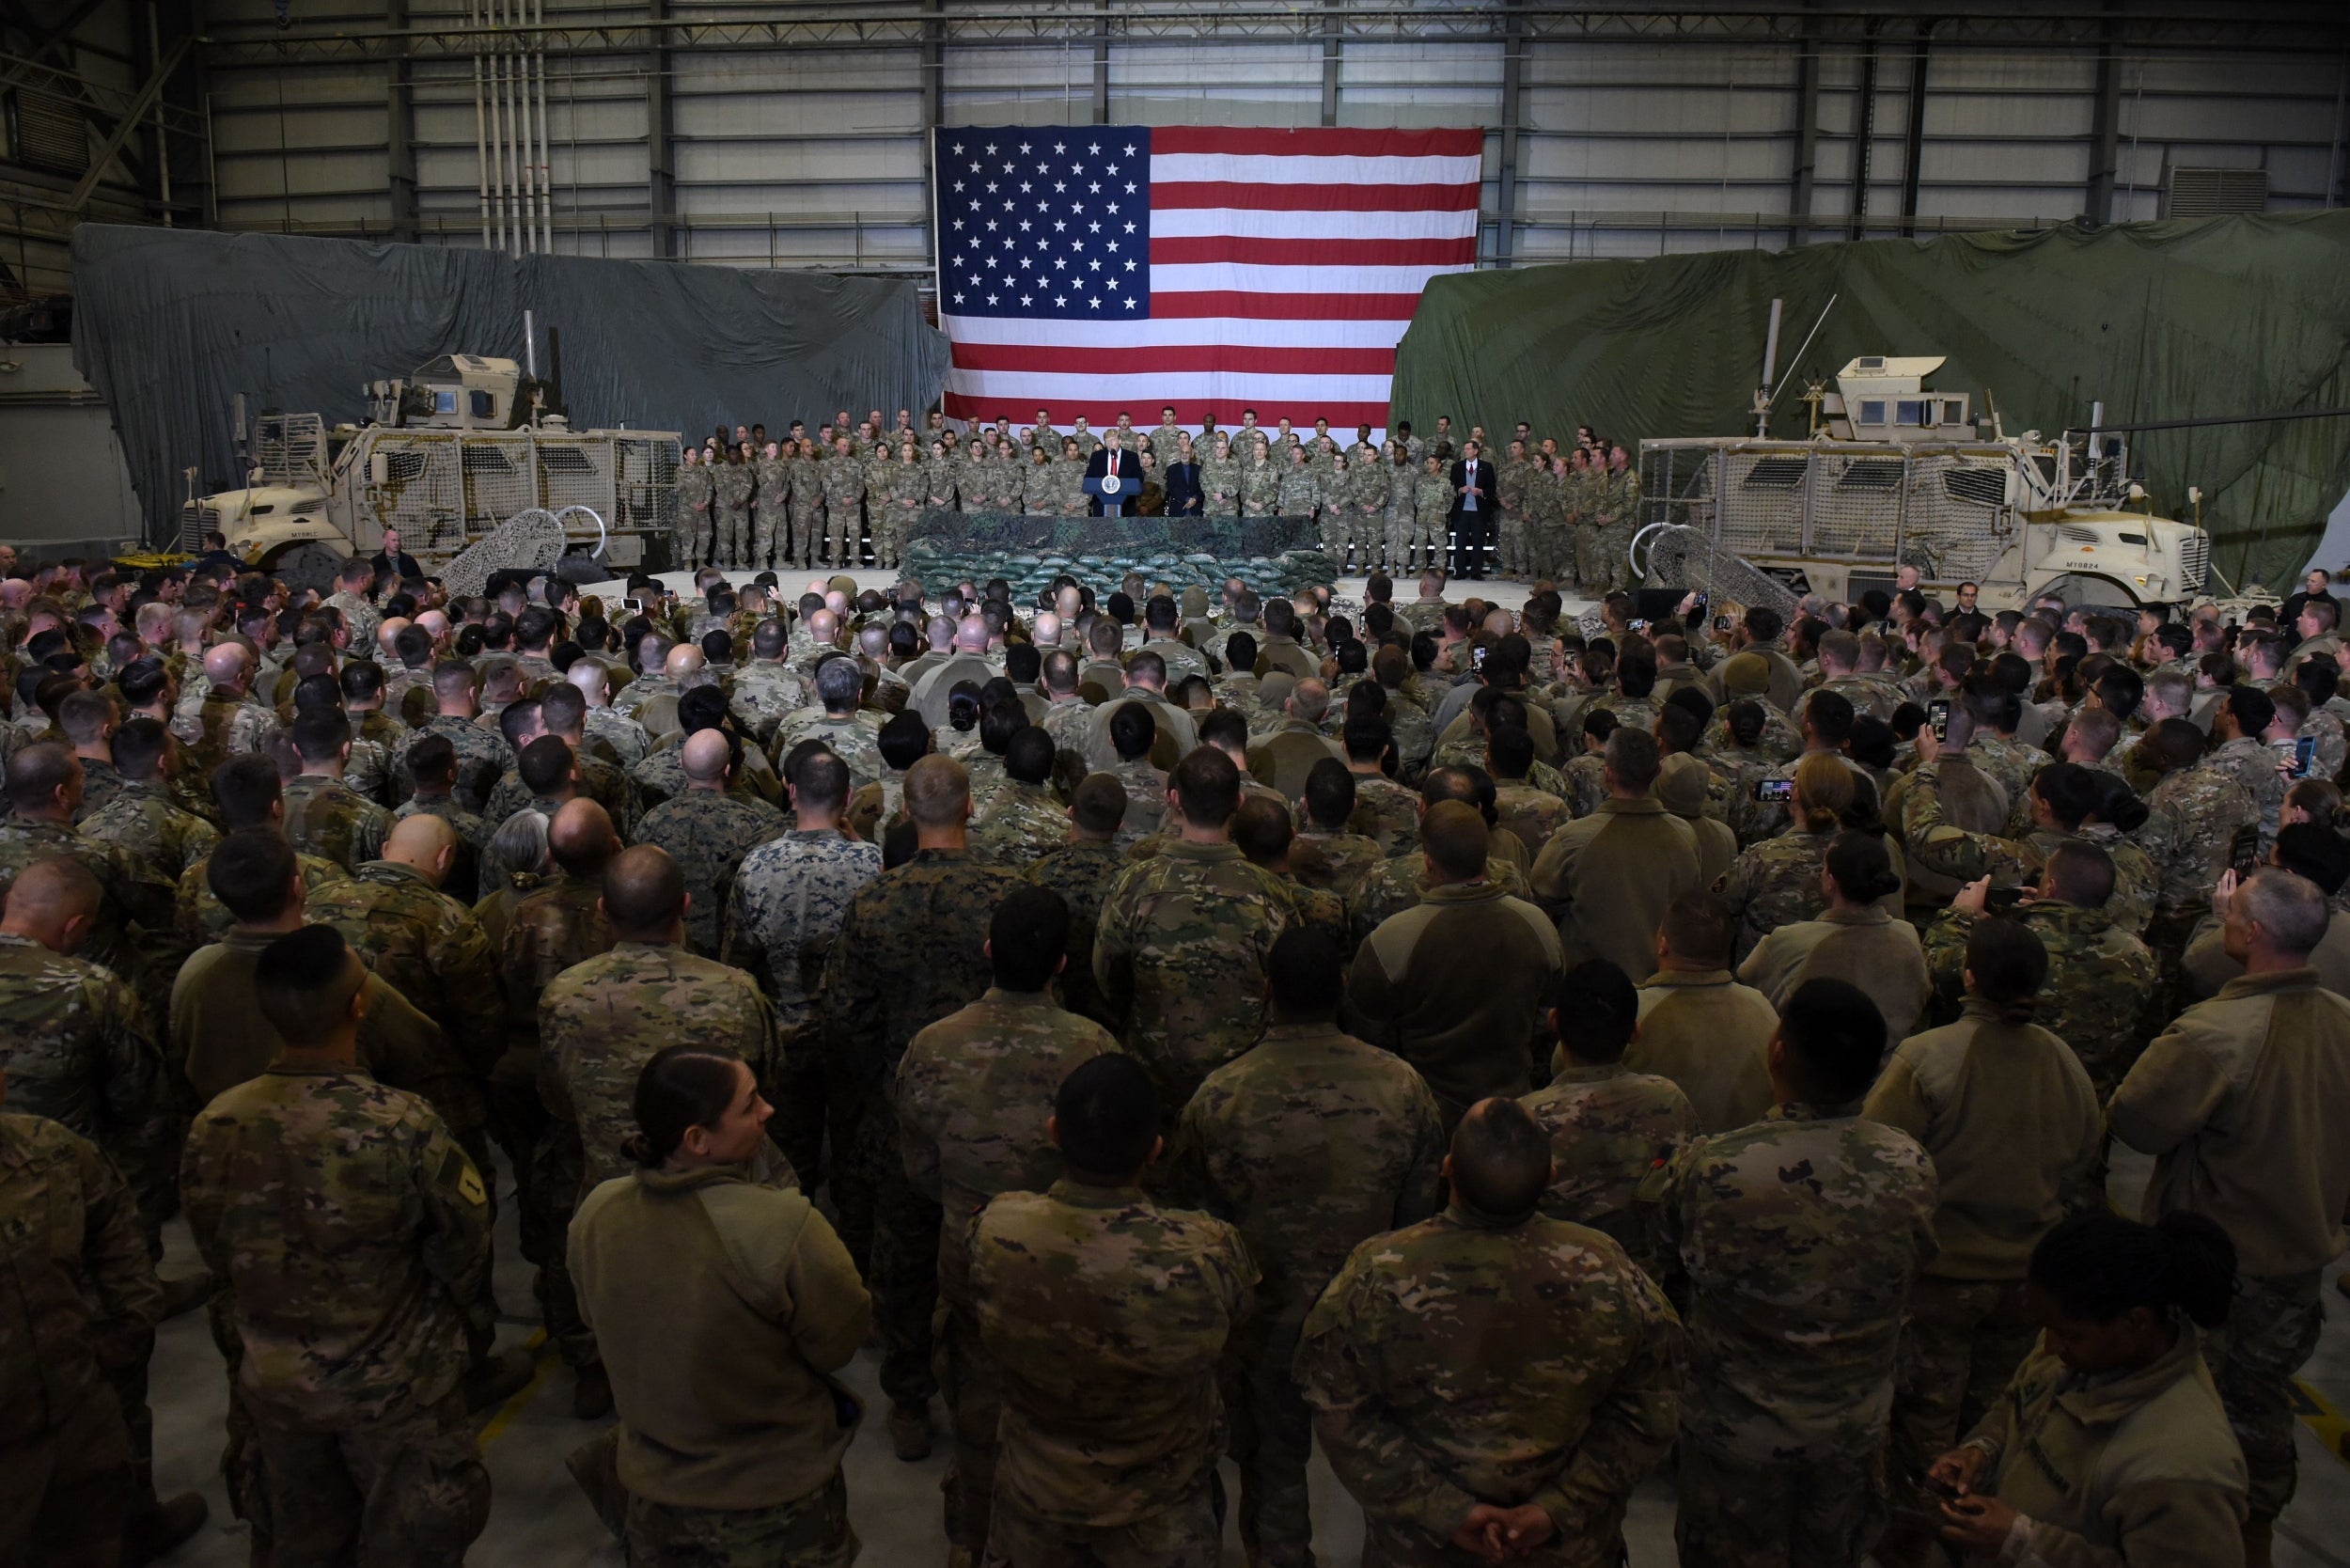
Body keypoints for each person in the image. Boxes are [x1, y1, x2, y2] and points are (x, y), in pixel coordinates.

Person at [181, 924, 494, 1566]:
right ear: (360, 1006)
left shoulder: (217, 1124)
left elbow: (214, 1244)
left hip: (274, 1381)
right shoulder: (399, 1124)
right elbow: (464, 1244)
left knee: (300, 1540)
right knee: (410, 1543)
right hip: (394, 1389)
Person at [1295, 1095, 1682, 1565]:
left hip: (1422, 1550)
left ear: (1448, 1169)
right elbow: (1653, 1409)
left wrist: (1445, 1511)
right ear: (1551, 1177)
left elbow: (1339, 1412)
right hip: (1564, 1549)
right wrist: (1557, 1508)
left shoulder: (1378, 1273)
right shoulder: (1608, 1270)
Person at [1168, 927, 1445, 1568]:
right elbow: (1419, 1219)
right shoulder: (1401, 1088)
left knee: (1273, 1465)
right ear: (1341, 991)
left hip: (1266, 1321)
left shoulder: (1221, 1095)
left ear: (1267, 992)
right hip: (1372, 1319)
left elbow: (1195, 1216)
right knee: (1390, 1466)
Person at [2107, 866, 2350, 1560]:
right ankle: (2255, 1536)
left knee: (2190, 1418)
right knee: (2265, 1411)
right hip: (2300, 1260)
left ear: (2252, 933)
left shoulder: (2217, 1035)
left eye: (2232, 912)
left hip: (2216, 1264)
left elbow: (2135, 1122)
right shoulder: (2342, 1023)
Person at [1659, 978, 1938, 1568]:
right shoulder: (1909, 1165)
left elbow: (1673, 1257)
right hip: (1852, 1431)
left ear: (1777, 1051)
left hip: (1738, 1438)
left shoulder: (1718, 1166)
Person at [568, 1045, 869, 1568]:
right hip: (774, 1507)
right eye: (750, 1104)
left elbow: (594, 1315)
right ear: (697, 1140)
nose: (768, 1110)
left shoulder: (597, 1213)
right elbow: (837, 1342)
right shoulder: (782, 1227)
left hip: (654, 1500)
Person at [1861, 917, 2103, 1565]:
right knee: (1997, 1427)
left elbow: (1876, 1155)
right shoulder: (2064, 1063)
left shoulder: (1928, 1058)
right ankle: (1977, 1539)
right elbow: (2084, 1152)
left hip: (1942, 1280)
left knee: (1921, 1432)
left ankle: (1911, 1546)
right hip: (2026, 1280)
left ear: (1967, 976)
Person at [893, 885, 1121, 1558]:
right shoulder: (1094, 1049)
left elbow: (920, 1171)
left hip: (971, 1255)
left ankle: (973, 1541)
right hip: (1071, 1261)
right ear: (1061, 964)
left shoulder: (934, 1047)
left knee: (977, 1407)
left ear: (988, 951)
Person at [969, 1054, 1256, 1567]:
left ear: (1053, 1132)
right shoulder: (1207, 1251)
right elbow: (1237, 1324)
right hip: (1160, 1507)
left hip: (1034, 1502)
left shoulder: (997, 1232)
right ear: (1155, 1150)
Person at [822, 754, 1023, 1459]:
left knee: (903, 1256)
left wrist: (885, 1077)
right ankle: (992, 1390)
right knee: (995, 1251)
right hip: (994, 1104)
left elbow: (844, 1014)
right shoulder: (1007, 895)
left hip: (901, 1106)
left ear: (907, 815)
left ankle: (908, 1399)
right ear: (970, 809)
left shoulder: (875, 903)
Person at [1927, 1213, 2248, 1567]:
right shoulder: (2081, 1347)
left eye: (2068, 1334)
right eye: (2047, 1328)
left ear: (2135, 1322)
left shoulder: (2182, 1468)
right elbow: (2017, 1403)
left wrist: (2024, 1544)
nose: (2049, 1346)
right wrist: (1983, 1451)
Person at [1093, 745, 1298, 1113]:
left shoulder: (1134, 883)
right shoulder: (1270, 892)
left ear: (1174, 799)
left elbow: (1107, 975)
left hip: (1150, 1079)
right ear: (1239, 801)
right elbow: (1287, 987)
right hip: (1241, 1087)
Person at [1344, 799, 1563, 1132]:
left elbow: (1366, 1030)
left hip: (1427, 1114)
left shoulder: (1394, 939)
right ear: (1487, 858)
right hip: (1514, 1108)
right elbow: (1549, 1011)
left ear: (1428, 863)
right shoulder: (1538, 926)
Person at [1519, 959, 1696, 1275]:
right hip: (1651, 1291)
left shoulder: (1525, 1119)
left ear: (1554, 1022)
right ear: (1634, 1033)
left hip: (1555, 1292)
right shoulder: (1669, 1101)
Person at [1529, 727, 1702, 983]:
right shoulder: (1684, 836)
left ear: (1607, 774)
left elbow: (1541, 896)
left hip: (1590, 987)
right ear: (1657, 772)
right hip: (1660, 983)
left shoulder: (1574, 839)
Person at [1739, 829, 1932, 1045]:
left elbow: (1747, 991)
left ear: (1830, 882)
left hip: (1813, 1071)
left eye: (1824, 866)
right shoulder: (1908, 935)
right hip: (1891, 1068)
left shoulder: (1787, 942)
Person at [1626, 893, 1778, 1134]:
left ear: (1663, 944)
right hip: (1747, 1158)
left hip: (1662, 1164)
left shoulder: (1633, 1012)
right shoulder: (1761, 1008)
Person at [1448, 440, 1496, 580]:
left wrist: (1481, 492)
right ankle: (1460, 571)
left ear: (1476, 451)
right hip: (1461, 510)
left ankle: (1476, 571)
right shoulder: (1457, 467)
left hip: (1479, 511)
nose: (1466, 451)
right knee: (1460, 541)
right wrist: (1459, 490)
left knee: (1478, 542)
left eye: (1469, 448)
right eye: (1465, 448)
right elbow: (1450, 486)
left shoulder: (1486, 467)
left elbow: (1491, 488)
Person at [1083, 429, 1139, 517]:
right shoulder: (1097, 457)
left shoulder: (1131, 457)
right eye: (1107, 441)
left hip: (1126, 506)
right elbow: (1089, 478)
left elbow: (1139, 479)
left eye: (1112, 440)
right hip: (1101, 505)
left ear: (1120, 440)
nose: (1110, 444)